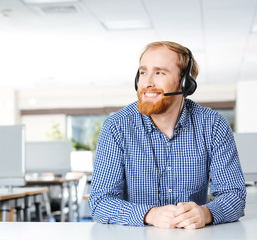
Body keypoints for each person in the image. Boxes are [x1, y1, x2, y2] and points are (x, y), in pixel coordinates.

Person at [88, 41, 246, 229]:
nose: (147, 83)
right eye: (143, 72)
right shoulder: (117, 127)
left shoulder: (212, 125)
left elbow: (234, 195)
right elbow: (100, 202)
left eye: (159, 73)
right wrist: (150, 214)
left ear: (185, 83)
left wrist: (206, 213)